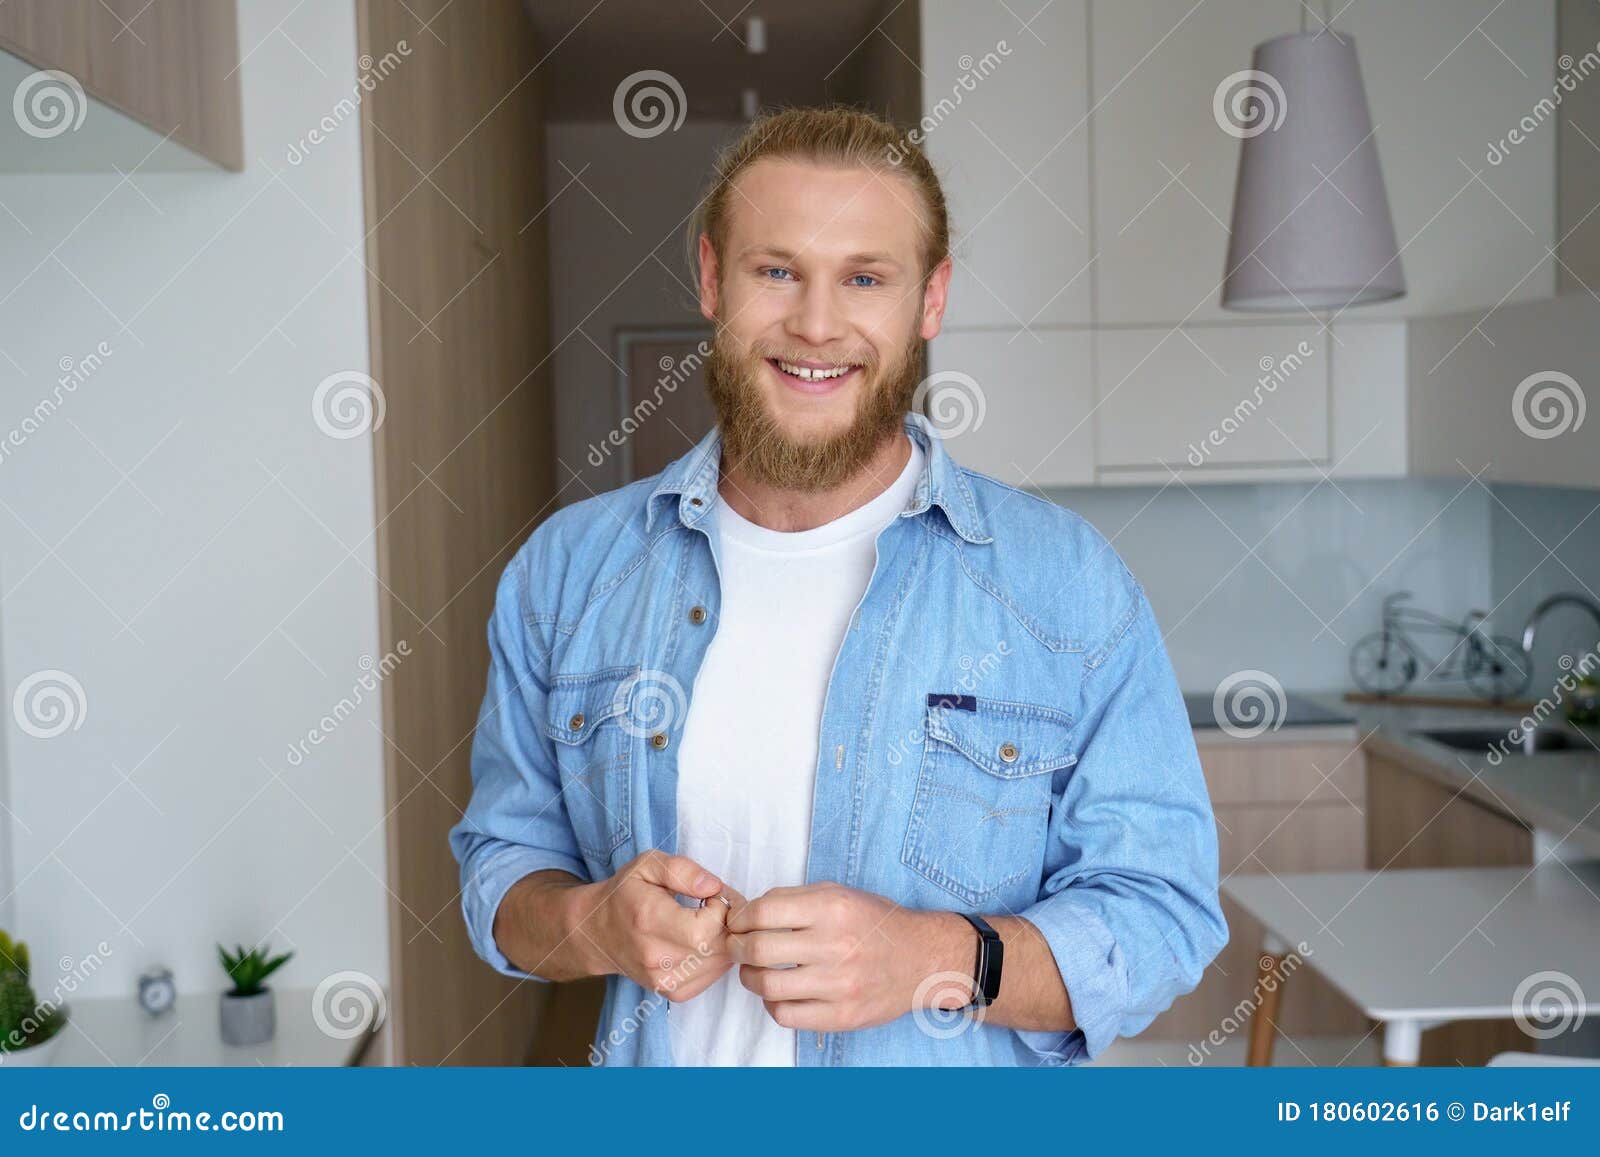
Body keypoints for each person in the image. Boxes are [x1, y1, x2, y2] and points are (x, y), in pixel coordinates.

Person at [449, 106, 1225, 1067]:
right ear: (709, 279)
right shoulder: (566, 575)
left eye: (865, 277)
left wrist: (931, 957)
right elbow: (503, 874)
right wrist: (597, 923)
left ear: (930, 300)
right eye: (775, 271)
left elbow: (1164, 917)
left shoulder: (1067, 586)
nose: (816, 324)